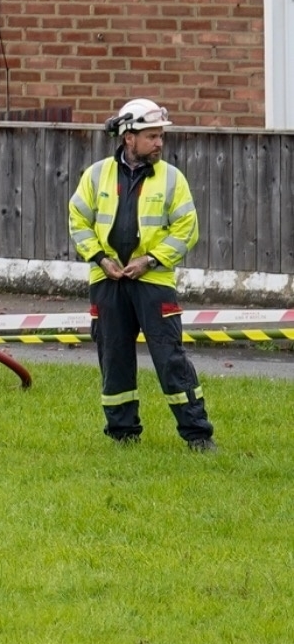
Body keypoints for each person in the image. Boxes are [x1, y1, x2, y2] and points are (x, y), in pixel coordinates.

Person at [67, 98, 214, 451]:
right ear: (128, 137)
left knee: (170, 360)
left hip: (153, 282)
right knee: (114, 358)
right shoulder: (96, 174)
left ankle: (197, 435)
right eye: (151, 136)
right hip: (108, 281)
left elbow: (186, 230)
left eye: (160, 136)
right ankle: (122, 434)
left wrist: (150, 260)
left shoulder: (172, 178)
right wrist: (101, 259)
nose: (159, 143)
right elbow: (78, 220)